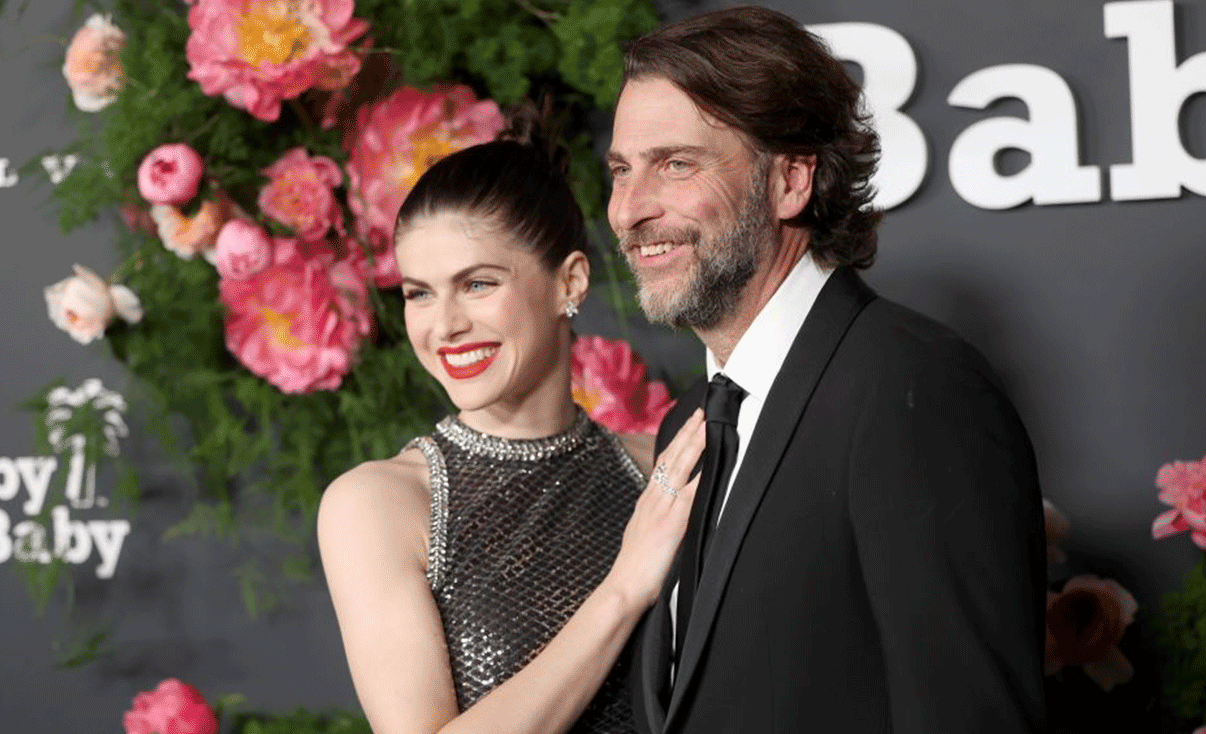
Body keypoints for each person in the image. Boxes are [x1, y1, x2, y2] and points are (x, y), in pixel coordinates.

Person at [607, 7, 1047, 733]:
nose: (629, 210)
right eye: (622, 170)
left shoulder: (915, 387)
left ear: (791, 181)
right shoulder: (690, 421)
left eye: (675, 164)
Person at [317, 112, 707, 734]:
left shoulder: (657, 474)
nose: (443, 326)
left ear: (568, 283)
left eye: (476, 284)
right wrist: (624, 590)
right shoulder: (381, 503)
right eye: (419, 293)